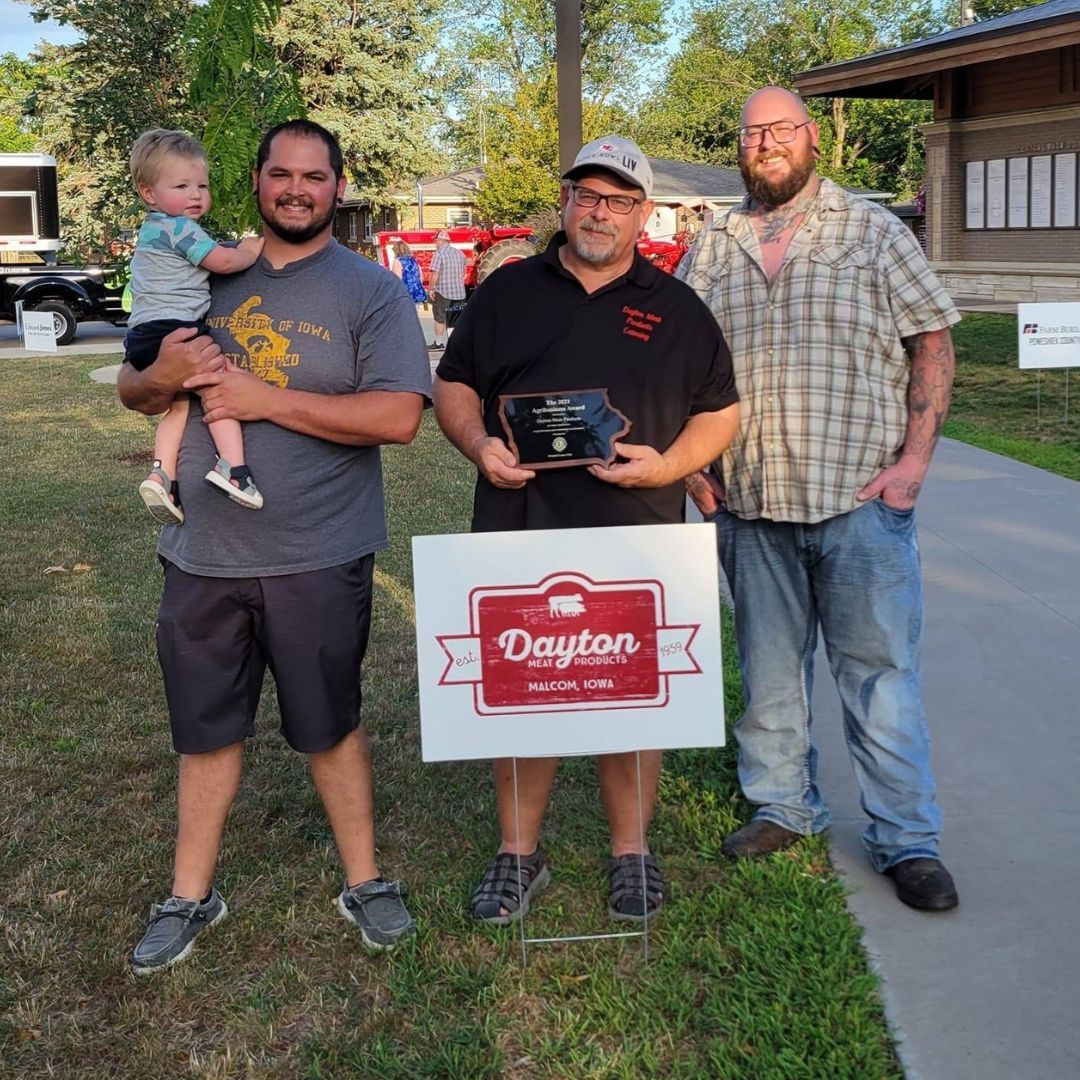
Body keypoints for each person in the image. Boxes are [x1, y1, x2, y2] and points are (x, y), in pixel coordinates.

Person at [117, 119, 431, 973]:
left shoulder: (369, 290)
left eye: (314, 176)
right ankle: (189, 895)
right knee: (205, 731)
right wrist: (157, 378)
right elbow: (136, 390)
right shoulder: (201, 268)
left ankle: (365, 880)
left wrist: (262, 398)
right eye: (281, 174)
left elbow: (399, 416)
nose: (297, 189)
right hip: (204, 554)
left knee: (330, 724)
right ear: (256, 180)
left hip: (319, 551)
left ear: (337, 187)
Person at [434, 135, 740, 926]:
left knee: (632, 697)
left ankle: (631, 851)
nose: (601, 213)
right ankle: (518, 852)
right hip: (518, 525)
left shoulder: (676, 307)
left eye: (620, 201)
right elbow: (453, 385)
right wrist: (479, 444)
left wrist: (668, 465)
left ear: (644, 214)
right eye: (588, 196)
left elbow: (720, 412)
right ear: (566, 202)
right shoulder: (506, 292)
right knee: (523, 692)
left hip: (635, 532)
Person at [676, 86, 961, 911]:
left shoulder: (870, 230)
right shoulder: (713, 244)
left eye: (780, 129)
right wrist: (693, 468)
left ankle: (907, 839)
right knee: (769, 675)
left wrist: (913, 465)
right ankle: (782, 807)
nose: (765, 143)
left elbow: (932, 342)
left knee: (881, 680)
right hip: (749, 501)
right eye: (751, 132)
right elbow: (675, 360)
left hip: (858, 501)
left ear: (811, 139)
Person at [125, 129, 267, 523]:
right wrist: (249, 249)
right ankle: (233, 469)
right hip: (177, 329)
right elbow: (223, 262)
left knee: (179, 405)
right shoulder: (179, 228)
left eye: (202, 186)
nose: (195, 195)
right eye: (182, 186)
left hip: (143, 336)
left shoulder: (151, 230)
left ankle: (162, 475)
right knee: (220, 387)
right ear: (149, 193)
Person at [427, 228, 466, 350]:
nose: (435, 243)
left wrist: (431, 288)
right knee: (454, 319)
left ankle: (439, 343)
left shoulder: (439, 254)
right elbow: (463, 272)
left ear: (441, 241)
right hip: (459, 293)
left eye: (436, 240)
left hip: (443, 292)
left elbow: (435, 273)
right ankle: (454, 344)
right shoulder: (460, 254)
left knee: (439, 317)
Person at [390, 239, 427, 312]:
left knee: (404, 315)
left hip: (404, 294)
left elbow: (397, 280)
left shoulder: (397, 261)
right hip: (416, 293)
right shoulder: (414, 260)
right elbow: (421, 278)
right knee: (415, 314)